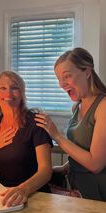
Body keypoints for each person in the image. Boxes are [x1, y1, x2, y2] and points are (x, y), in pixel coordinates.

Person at [35, 47, 106, 201]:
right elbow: (82, 148)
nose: (61, 84)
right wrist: (65, 167)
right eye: (59, 79)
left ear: (87, 72)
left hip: (98, 193)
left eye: (67, 76)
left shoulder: (103, 107)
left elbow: (95, 164)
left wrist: (57, 137)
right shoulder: (77, 106)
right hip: (78, 189)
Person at [0, 71, 53, 207]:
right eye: (3, 88)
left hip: (34, 197)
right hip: (1, 197)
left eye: (15, 88)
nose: (9, 93)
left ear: (22, 94)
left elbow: (46, 170)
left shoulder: (36, 123)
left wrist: (23, 189)